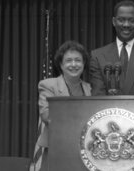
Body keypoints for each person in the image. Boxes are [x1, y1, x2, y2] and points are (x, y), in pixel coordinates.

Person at [32, 40, 91, 171]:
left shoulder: (90, 89)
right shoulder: (48, 85)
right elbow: (46, 115)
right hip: (55, 148)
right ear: (61, 64)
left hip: (83, 150)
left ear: (84, 63)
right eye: (69, 60)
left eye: (78, 60)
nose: (74, 64)